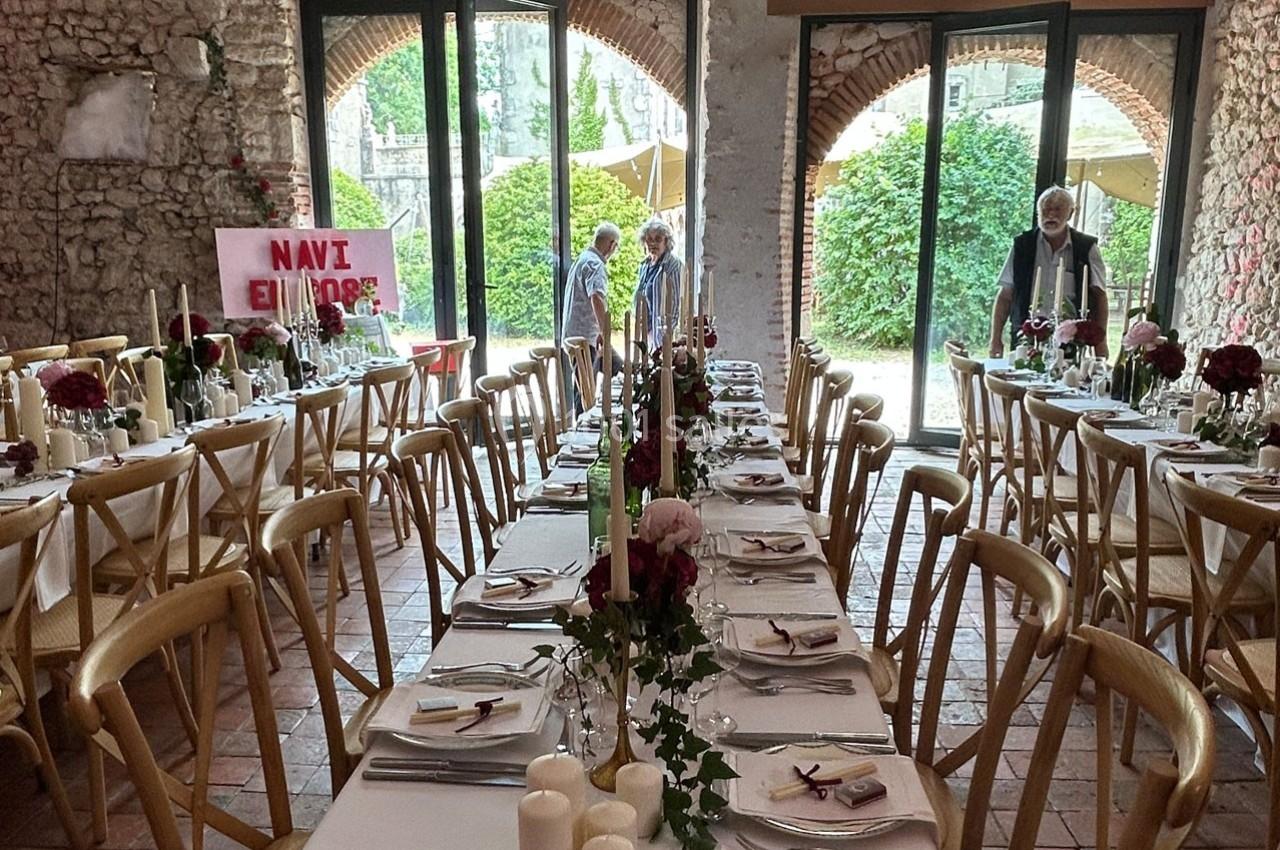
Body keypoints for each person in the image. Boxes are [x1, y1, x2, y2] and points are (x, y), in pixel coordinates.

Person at [988, 186, 1109, 358]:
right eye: (1045, 209)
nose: (1051, 215)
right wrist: (995, 339)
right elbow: (1005, 295)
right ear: (1038, 212)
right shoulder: (1023, 246)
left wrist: (1101, 343)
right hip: (1027, 336)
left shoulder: (1086, 248)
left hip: (1071, 339)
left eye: (1058, 209)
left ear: (1070, 213)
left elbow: (1099, 296)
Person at [562, 221, 622, 407]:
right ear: (611, 245)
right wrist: (605, 332)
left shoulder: (582, 259)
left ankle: (611, 405)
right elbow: (596, 297)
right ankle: (585, 422)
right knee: (585, 391)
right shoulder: (595, 264)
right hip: (585, 339)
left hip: (578, 336)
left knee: (619, 369)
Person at [633, 217, 684, 350]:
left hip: (664, 333)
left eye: (658, 239)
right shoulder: (645, 265)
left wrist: (667, 334)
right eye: (649, 239)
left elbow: (676, 303)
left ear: (666, 241)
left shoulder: (673, 265)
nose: (653, 243)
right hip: (647, 331)